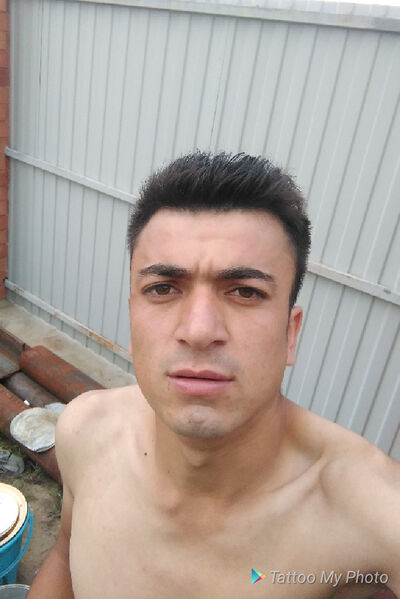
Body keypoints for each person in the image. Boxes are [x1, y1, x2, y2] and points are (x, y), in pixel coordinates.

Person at [27, 152, 400, 599]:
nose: (200, 330)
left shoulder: (372, 513)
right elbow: (65, 556)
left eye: (245, 291)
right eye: (162, 288)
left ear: (290, 333)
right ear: (132, 321)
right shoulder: (84, 431)